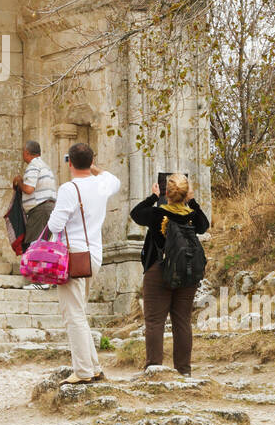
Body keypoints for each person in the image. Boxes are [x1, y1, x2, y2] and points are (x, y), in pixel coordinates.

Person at [45, 142, 122, 384]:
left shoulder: (69, 188)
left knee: (73, 315)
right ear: (91, 161)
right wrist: (93, 168)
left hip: (73, 255)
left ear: (69, 162)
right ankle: (94, 367)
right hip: (93, 256)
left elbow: (55, 225)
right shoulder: (101, 184)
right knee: (79, 312)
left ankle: (83, 371)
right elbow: (114, 180)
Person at [130, 173, 210, 375]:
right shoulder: (192, 215)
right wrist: (191, 201)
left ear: (166, 192)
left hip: (159, 270)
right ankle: (184, 371)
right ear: (186, 194)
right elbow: (204, 226)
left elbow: (136, 213)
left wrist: (153, 197)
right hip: (187, 271)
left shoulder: (157, 214)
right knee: (182, 321)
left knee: (155, 321)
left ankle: (154, 369)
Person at [13, 140, 57, 245]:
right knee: (42, 243)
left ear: (27, 152)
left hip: (39, 211)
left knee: (34, 245)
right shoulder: (44, 166)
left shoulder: (33, 166)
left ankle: (34, 262)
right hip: (48, 209)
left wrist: (19, 181)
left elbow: (29, 189)